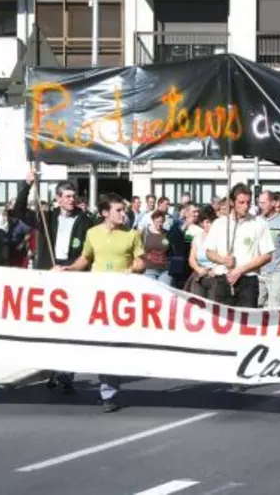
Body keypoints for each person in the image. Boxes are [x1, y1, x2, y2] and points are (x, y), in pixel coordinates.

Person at [56, 193, 145, 412]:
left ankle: (108, 393)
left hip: (119, 298)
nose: (124, 214)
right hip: (95, 296)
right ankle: (65, 374)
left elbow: (141, 261)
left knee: (111, 345)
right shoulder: (92, 233)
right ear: (105, 213)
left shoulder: (132, 235)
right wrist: (68, 268)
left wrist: (133, 268)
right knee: (86, 339)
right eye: (118, 210)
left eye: (124, 210)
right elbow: (85, 259)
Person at [11, 170, 94, 392]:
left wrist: (71, 267)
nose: (71, 200)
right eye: (66, 196)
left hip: (73, 273)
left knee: (71, 327)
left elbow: (89, 250)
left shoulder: (85, 220)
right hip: (50, 272)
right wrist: (27, 185)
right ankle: (55, 368)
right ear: (58, 198)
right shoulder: (47, 218)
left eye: (72, 196)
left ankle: (66, 373)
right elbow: (18, 211)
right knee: (51, 326)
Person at [205, 183, 275, 309]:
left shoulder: (259, 223)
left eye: (248, 202)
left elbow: (267, 256)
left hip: (248, 281)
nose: (245, 206)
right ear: (232, 202)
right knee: (224, 321)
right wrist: (222, 260)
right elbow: (209, 252)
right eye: (241, 202)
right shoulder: (219, 224)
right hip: (223, 279)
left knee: (247, 324)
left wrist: (240, 269)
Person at [257, 191, 280, 307]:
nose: (260, 206)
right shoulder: (256, 222)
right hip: (259, 273)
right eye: (259, 203)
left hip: (279, 272)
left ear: (273, 203)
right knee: (257, 309)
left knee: (276, 311)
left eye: (263, 203)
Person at [188, 208, 218, 298]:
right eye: (207, 222)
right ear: (202, 223)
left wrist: (215, 270)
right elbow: (192, 259)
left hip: (215, 276)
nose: (210, 225)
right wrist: (199, 269)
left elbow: (223, 257)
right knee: (198, 305)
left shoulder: (219, 238)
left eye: (212, 222)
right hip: (200, 275)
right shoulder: (197, 238)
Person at [142, 210, 172, 286]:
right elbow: (139, 249)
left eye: (161, 222)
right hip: (149, 268)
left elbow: (171, 251)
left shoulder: (167, 234)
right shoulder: (145, 233)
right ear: (153, 220)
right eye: (157, 222)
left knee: (164, 290)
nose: (159, 224)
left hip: (165, 269)